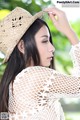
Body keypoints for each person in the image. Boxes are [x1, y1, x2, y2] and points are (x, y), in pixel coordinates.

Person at [0, 6, 80, 120]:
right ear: (22, 46)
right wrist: (69, 31)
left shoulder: (15, 82)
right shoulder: (33, 75)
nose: (52, 48)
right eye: (44, 41)